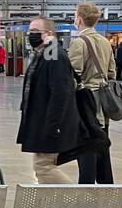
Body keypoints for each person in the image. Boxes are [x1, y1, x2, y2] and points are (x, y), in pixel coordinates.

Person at [16, 17, 81, 184]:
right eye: (30, 32)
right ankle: (49, 206)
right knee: (43, 167)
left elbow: (60, 92)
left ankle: (79, 201)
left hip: (51, 123)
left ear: (49, 34)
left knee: (43, 166)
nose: (31, 35)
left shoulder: (53, 54)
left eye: (36, 32)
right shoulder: (44, 54)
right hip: (42, 122)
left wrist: (53, 124)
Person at [67, 2, 116, 184]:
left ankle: (85, 190)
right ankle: (107, 191)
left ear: (79, 20)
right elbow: (112, 73)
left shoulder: (78, 43)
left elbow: (73, 76)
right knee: (102, 146)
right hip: (103, 105)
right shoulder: (105, 42)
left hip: (86, 105)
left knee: (86, 149)